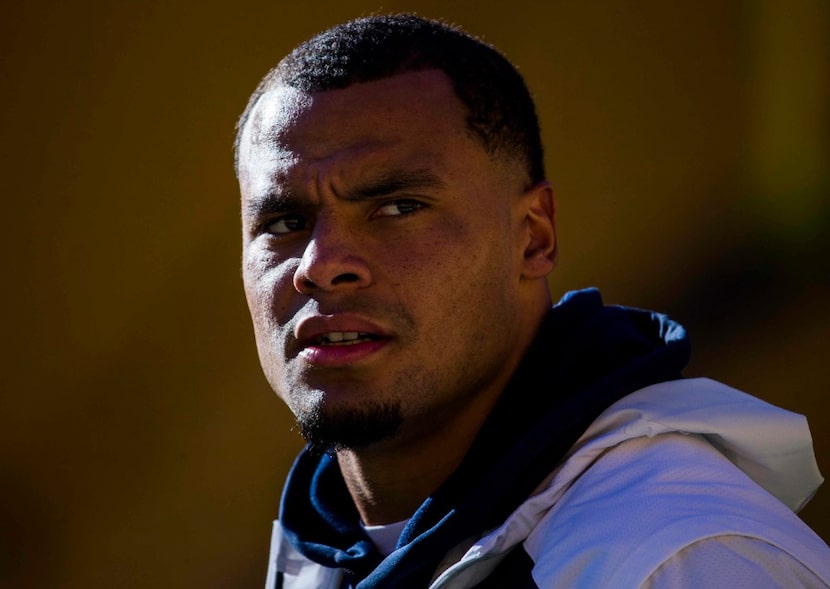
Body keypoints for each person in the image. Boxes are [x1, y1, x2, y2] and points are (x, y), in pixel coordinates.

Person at [233, 12, 830, 589]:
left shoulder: (675, 561)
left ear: (533, 236)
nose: (320, 266)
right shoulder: (320, 553)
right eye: (284, 220)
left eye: (398, 207)